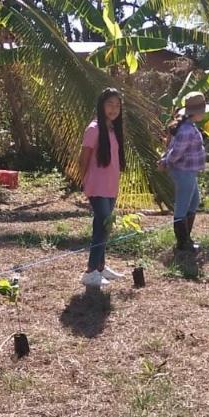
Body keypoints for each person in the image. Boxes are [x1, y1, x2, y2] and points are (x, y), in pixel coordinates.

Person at [79, 88, 125, 289]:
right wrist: (83, 182)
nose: (114, 109)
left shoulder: (113, 129)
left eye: (117, 105)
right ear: (101, 106)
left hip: (110, 187)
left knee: (102, 226)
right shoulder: (94, 128)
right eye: (109, 104)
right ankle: (90, 272)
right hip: (97, 186)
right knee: (104, 226)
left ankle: (100, 267)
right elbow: (84, 159)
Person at [160, 91, 209, 254]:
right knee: (182, 207)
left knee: (194, 202)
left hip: (190, 171)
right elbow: (176, 152)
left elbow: (172, 148)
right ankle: (182, 244)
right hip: (183, 172)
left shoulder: (189, 126)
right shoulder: (187, 130)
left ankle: (186, 238)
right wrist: (166, 162)